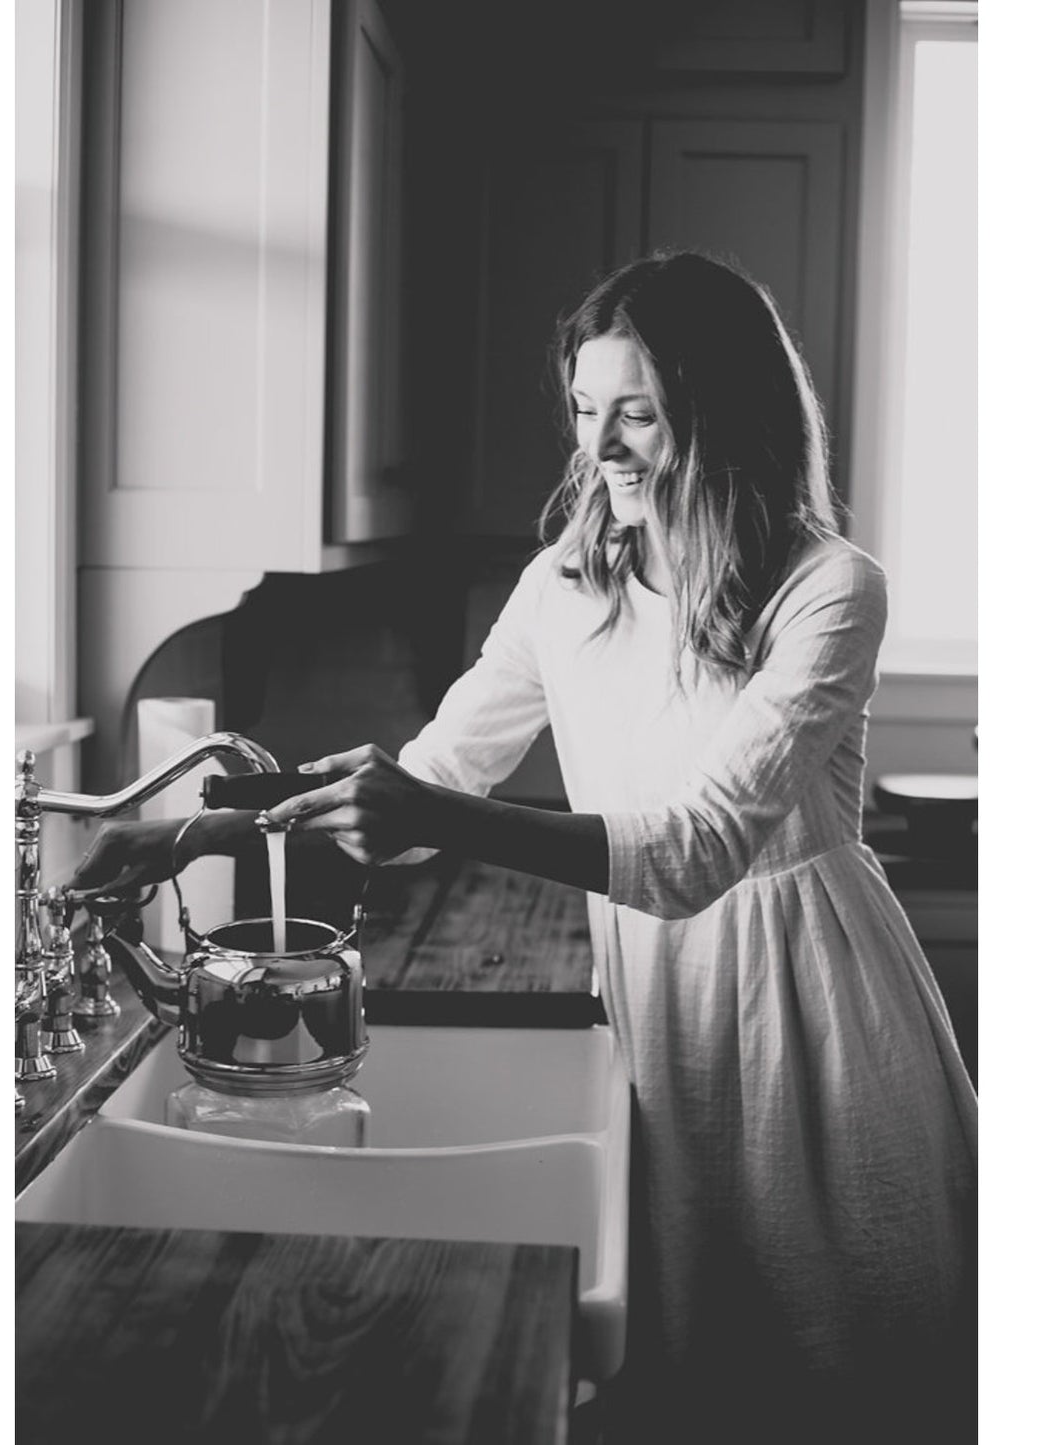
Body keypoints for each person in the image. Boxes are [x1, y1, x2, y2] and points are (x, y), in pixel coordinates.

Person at [71, 251, 978, 1442]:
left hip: (811, 1011)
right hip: (656, 1004)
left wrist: (425, 815)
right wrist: (202, 824)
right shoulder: (563, 584)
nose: (599, 447)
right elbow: (435, 775)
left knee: (840, 1364)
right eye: (584, 409)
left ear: (722, 410)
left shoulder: (827, 588)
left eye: (636, 412)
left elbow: (697, 848)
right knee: (692, 1377)